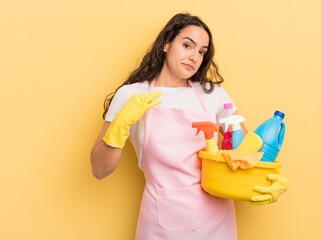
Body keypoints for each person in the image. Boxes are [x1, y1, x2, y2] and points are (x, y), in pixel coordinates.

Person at [91, 13, 287, 240]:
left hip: (217, 223)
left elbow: (246, 154)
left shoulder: (212, 94)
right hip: (160, 223)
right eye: (187, 45)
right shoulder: (132, 95)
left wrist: (270, 177)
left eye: (202, 52)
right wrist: (120, 124)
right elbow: (99, 170)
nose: (194, 57)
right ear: (166, 44)